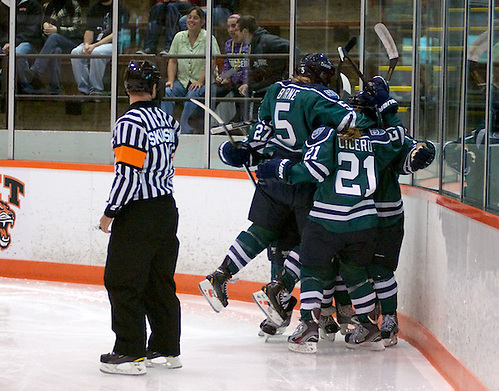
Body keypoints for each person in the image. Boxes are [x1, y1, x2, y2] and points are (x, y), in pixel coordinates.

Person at [198, 55, 398, 331]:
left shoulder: (276, 89)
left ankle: (221, 274)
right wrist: (379, 108)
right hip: (303, 178)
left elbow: (260, 133)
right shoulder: (319, 95)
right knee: (315, 242)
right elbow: (351, 122)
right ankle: (281, 287)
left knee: (261, 232)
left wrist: (244, 150)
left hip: (272, 177)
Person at [99, 60, 182, 376]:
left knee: (122, 280)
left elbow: (128, 175)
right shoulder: (166, 119)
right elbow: (171, 152)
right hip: (165, 209)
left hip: (139, 213)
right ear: (155, 87)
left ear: (126, 87)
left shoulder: (128, 124)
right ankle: (165, 348)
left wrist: (111, 211)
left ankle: (130, 351)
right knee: (159, 281)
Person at [162, 6, 221, 134]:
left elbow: (213, 61)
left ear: (202, 22)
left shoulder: (208, 38)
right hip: (183, 81)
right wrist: (171, 80)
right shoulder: (179, 37)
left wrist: (200, 81)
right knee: (167, 92)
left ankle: (185, 130)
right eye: (189, 17)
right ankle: (165, 127)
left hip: (203, 82)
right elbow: (172, 60)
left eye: (195, 18)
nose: (191, 20)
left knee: (192, 95)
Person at [234, 15, 294, 119]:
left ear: (244, 31)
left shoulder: (267, 41)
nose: (234, 33)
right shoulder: (252, 44)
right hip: (261, 86)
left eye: (236, 30)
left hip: (270, 86)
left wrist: (287, 71)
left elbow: (293, 48)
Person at [23, 0, 83, 94]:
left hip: (71, 42)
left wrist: (57, 30)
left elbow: (76, 30)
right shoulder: (47, 6)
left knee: (54, 37)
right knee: (56, 50)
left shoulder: (74, 5)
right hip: (51, 44)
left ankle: (36, 70)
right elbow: (40, 26)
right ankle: (55, 88)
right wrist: (44, 25)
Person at [71, 0, 129, 95]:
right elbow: (89, 30)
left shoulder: (120, 9)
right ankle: (84, 89)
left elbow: (117, 33)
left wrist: (95, 45)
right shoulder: (93, 8)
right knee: (76, 52)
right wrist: (86, 44)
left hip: (113, 44)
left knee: (97, 53)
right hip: (94, 43)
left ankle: (96, 89)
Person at [0, 0, 43, 94]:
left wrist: (13, 42)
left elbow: (32, 31)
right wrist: (5, 43)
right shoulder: (6, 5)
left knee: (17, 53)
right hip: (8, 42)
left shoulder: (33, 4)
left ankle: (26, 86)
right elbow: (3, 29)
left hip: (28, 41)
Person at [214, 13, 248, 123]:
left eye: (233, 26)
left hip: (246, 82)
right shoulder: (228, 44)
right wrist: (222, 76)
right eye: (228, 27)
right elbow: (229, 67)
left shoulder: (249, 44)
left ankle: (240, 121)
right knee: (212, 91)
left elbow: (250, 68)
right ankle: (201, 122)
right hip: (233, 82)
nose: (230, 30)